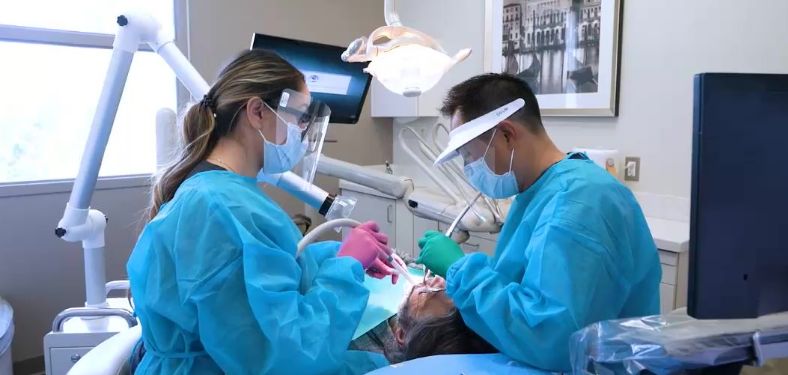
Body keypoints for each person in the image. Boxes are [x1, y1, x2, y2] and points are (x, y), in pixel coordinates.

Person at [127, 49, 395, 375]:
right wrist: (347, 266)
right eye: (300, 117)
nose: (302, 131)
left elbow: (270, 269)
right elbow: (287, 354)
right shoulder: (223, 209)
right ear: (257, 112)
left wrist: (339, 255)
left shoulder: (217, 193)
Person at [415, 73, 661, 372]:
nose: (469, 168)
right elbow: (525, 289)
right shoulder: (539, 192)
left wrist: (460, 272)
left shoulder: (579, 203)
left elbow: (550, 337)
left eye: (469, 155)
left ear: (506, 134)